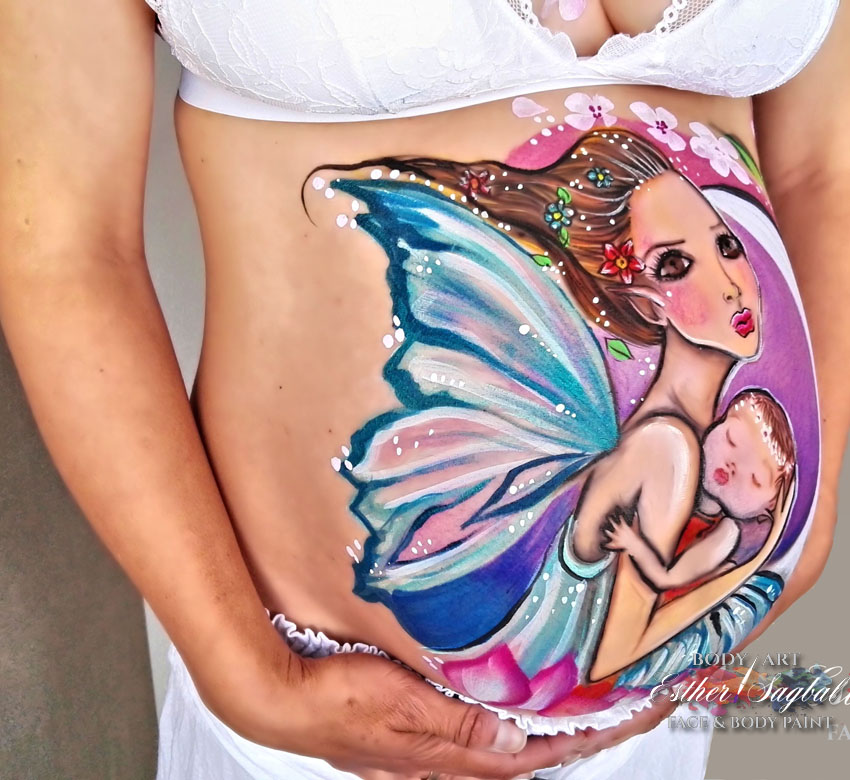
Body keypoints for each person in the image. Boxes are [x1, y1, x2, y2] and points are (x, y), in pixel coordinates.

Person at [2, 1, 848, 779]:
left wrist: (799, 541)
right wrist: (250, 675)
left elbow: (822, 173)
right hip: (329, 726)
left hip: (653, 729)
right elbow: (64, 244)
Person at [602, 389, 796, 600]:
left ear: (768, 506)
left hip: (665, 603)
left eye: (755, 478)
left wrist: (632, 543)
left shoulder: (727, 533)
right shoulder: (678, 474)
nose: (732, 465)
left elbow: (665, 578)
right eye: (731, 440)